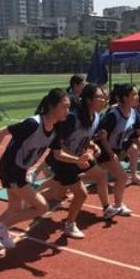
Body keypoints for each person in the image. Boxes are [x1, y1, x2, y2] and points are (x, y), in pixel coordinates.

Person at [0, 89, 91, 250]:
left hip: (20, 170)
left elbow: (58, 154)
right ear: (51, 106)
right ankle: (1, 227)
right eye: (64, 107)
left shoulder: (55, 129)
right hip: (11, 169)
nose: (68, 111)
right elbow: (2, 131)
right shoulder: (33, 124)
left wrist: (77, 160)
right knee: (42, 207)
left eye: (69, 107)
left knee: (15, 208)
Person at [39, 84, 121, 238]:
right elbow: (59, 145)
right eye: (99, 97)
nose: (104, 100)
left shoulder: (96, 117)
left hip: (79, 158)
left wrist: (93, 146)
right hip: (65, 161)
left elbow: (85, 137)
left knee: (101, 175)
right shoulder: (72, 118)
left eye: (104, 97)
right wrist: (76, 159)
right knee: (78, 194)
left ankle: (107, 208)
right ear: (89, 100)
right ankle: (69, 224)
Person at [96, 84, 140, 214]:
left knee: (93, 175)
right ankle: (117, 206)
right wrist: (111, 153)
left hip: (116, 149)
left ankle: (62, 181)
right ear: (125, 98)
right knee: (122, 177)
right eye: (134, 94)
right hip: (104, 149)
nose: (137, 97)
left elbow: (138, 129)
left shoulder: (133, 113)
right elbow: (102, 137)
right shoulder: (113, 115)